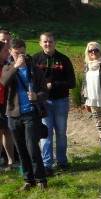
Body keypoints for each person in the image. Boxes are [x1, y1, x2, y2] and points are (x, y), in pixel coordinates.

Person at [1, 38, 48, 190]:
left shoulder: (34, 69)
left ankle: (41, 179)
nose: (21, 56)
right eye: (17, 53)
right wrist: (16, 66)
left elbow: (44, 91)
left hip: (30, 114)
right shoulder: (8, 68)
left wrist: (37, 96)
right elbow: (4, 82)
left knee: (32, 148)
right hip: (13, 115)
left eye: (23, 53)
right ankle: (29, 180)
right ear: (11, 53)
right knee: (21, 149)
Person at [32, 32, 75, 174]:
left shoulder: (63, 59)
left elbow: (72, 82)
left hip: (61, 100)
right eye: (45, 42)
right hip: (43, 102)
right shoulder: (36, 59)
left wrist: (54, 84)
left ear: (55, 43)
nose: (48, 44)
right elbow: (30, 81)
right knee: (46, 133)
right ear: (40, 43)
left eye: (50, 41)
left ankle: (62, 162)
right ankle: (47, 164)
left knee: (61, 132)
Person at [0, 38, 17, 171]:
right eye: (5, 50)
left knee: (8, 131)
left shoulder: (8, 64)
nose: (8, 52)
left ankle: (11, 161)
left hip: (7, 102)